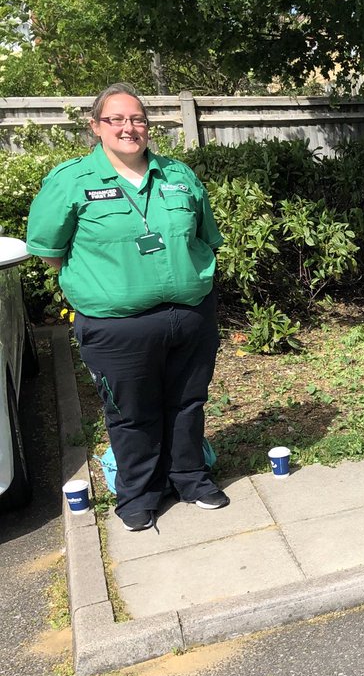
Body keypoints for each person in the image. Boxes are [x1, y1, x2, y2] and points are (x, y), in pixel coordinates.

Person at [26, 82, 228, 531]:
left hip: (190, 314)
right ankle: (139, 494)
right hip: (118, 327)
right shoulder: (71, 181)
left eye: (136, 118)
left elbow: (204, 237)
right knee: (132, 413)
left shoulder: (178, 175)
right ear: (96, 127)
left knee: (188, 403)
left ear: (148, 126)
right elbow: (49, 250)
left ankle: (191, 478)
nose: (128, 127)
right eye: (116, 119)